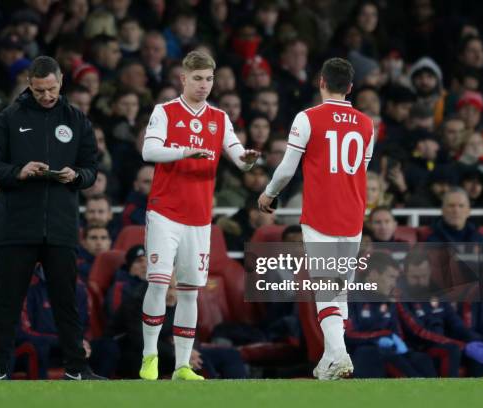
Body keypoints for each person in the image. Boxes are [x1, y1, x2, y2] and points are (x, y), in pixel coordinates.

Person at [0, 56, 101, 380]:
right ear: (29, 84)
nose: (46, 96)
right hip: (17, 226)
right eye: (39, 90)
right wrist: (19, 172)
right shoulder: (9, 117)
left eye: (51, 89)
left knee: (66, 303)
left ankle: (76, 368)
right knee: (7, 302)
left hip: (60, 227)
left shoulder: (76, 119)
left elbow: (91, 168)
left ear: (61, 81)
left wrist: (77, 176)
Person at [139, 50, 259, 381]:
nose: (204, 85)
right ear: (183, 78)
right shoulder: (165, 111)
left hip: (199, 218)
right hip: (165, 212)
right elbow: (149, 150)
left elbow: (236, 152)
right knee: (160, 284)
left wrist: (247, 158)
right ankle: (149, 356)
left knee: (191, 291)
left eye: (209, 79)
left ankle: (181, 367)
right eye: (197, 79)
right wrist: (186, 150)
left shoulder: (219, 118)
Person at [258, 57, 375, 380]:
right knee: (339, 290)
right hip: (352, 215)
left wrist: (269, 193)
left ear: (321, 82)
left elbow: (287, 168)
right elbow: (361, 169)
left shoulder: (308, 118)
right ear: (350, 87)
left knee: (326, 290)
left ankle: (339, 355)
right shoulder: (367, 124)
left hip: (321, 214)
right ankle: (330, 359)